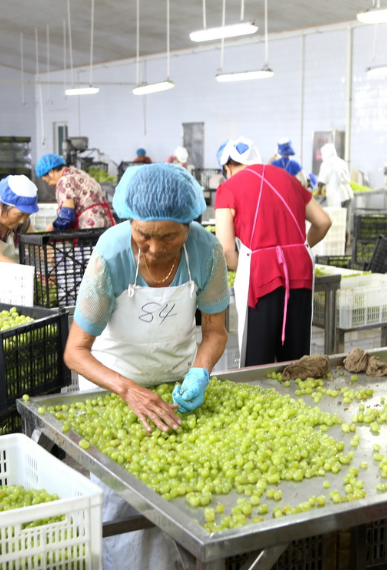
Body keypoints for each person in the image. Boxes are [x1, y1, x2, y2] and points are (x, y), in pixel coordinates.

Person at [64, 163, 229, 570]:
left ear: (190, 224)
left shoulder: (207, 253)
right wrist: (127, 390)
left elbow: (214, 331)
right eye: (143, 235)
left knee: (187, 491)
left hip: (176, 393)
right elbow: (76, 351)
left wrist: (200, 372)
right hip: (114, 387)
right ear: (129, 223)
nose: (153, 248)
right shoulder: (112, 254)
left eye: (168, 236)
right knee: (124, 502)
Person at [215, 136, 332, 367]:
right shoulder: (289, 179)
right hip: (301, 273)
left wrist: (245, 267)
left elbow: (226, 249)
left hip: (260, 277)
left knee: (258, 363)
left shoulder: (228, 189)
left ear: (228, 167)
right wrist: (299, 248)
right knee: (297, 363)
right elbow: (323, 222)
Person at [36, 153, 114, 230]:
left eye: (46, 180)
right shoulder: (77, 173)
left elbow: (67, 216)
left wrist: (53, 227)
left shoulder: (64, 181)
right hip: (106, 225)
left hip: (91, 228)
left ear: (51, 172)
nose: (49, 184)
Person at [317, 142, 354, 209]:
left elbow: (321, 181)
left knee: (336, 216)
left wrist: (319, 192)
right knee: (344, 217)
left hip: (337, 195)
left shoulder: (326, 163)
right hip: (348, 194)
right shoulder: (342, 161)